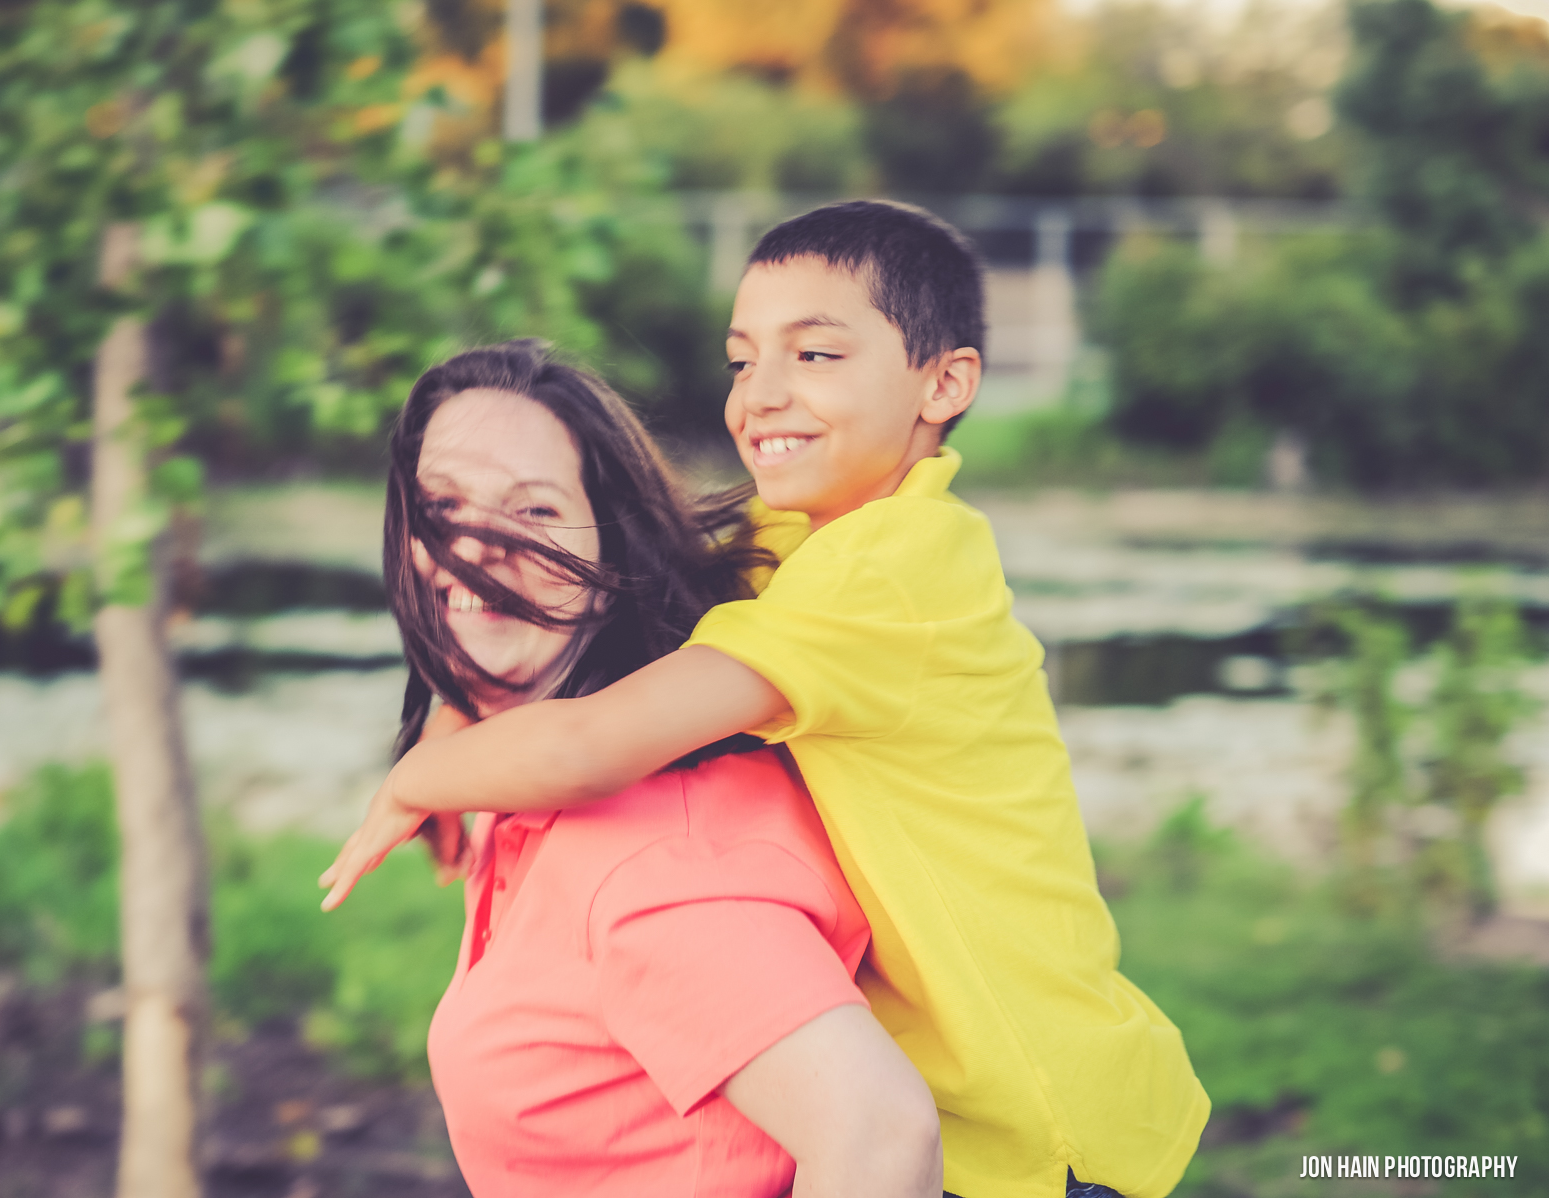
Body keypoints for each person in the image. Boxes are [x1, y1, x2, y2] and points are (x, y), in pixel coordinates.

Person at [322, 202, 1210, 1198]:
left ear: (944, 383)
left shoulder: (885, 574)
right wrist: (466, 694)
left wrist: (416, 778)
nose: (762, 396)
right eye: (743, 361)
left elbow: (589, 745)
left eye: (816, 356)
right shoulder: (808, 533)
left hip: (1036, 1138)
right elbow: (631, 578)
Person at [348, 341, 942, 1196]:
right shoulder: (521, 771)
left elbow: (880, 1136)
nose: (476, 546)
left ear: (612, 557)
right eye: (442, 504)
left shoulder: (657, 864)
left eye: (538, 512)